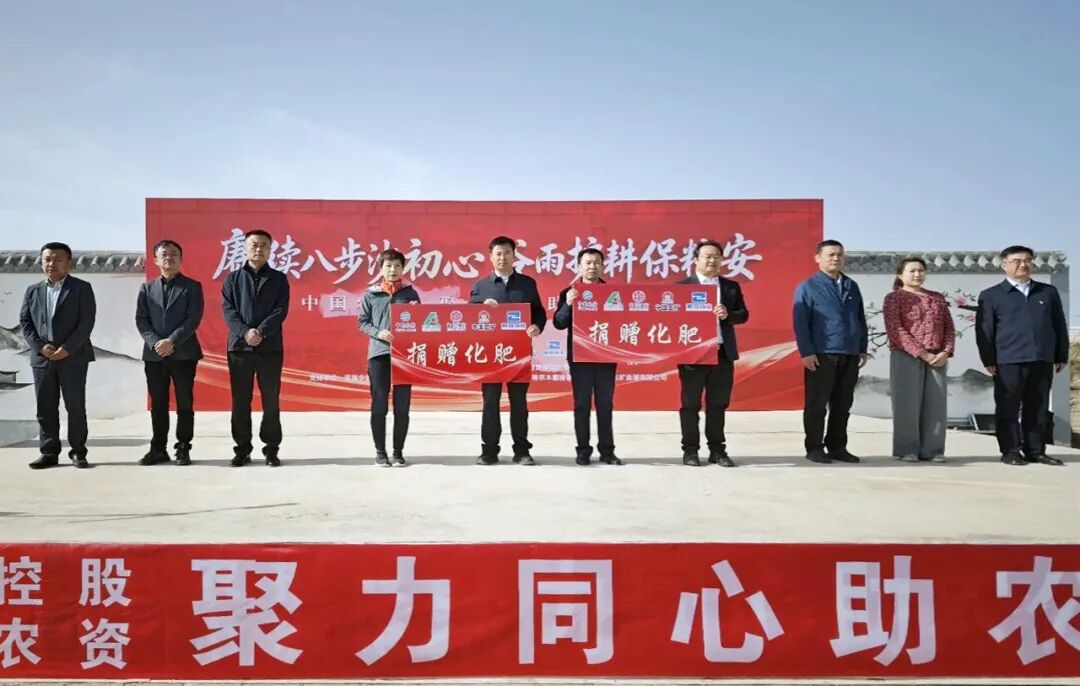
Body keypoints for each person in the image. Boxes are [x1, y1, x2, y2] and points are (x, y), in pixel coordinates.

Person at [975, 245, 1068, 466]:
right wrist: (989, 359)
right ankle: (1010, 451)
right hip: (1008, 360)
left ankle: (1036, 451)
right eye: (1017, 261)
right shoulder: (991, 295)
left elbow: (1059, 324)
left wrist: (1061, 354)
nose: (1023, 264)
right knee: (1007, 407)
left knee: (1038, 408)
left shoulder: (1047, 292)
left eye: (1027, 260)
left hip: (1041, 358)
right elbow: (984, 331)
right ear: (1004, 264)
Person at [469, 236, 546, 465]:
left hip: (519, 353)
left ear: (514, 256)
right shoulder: (481, 286)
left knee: (519, 403)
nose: (503, 257)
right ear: (491, 257)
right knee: (490, 403)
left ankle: (522, 451)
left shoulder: (527, 284)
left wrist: (537, 326)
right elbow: (469, 317)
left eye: (507, 253)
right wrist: (481, 308)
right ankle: (489, 451)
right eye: (498, 253)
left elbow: (539, 312)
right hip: (490, 354)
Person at [19, 242, 97, 469]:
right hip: (42, 358)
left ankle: (78, 451)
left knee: (75, 407)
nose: (51, 264)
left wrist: (68, 348)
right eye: (47, 259)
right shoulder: (33, 290)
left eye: (57, 259)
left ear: (68, 263)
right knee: (45, 407)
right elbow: (25, 323)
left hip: (73, 358)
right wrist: (40, 347)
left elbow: (86, 322)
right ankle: (48, 452)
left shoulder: (81, 288)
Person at [793, 239, 868, 464]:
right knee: (817, 404)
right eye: (831, 255)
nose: (836, 258)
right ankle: (814, 447)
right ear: (818, 258)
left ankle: (837, 446)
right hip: (822, 353)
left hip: (850, 353)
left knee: (843, 404)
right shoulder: (808, 287)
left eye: (840, 255)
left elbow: (860, 318)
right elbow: (800, 322)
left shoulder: (851, 286)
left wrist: (862, 347)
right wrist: (806, 352)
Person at [675, 240, 749, 467]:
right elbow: (672, 318)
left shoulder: (730, 287)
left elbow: (743, 314)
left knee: (717, 405)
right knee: (690, 406)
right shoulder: (681, 287)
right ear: (695, 260)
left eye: (717, 256)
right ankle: (690, 451)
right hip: (693, 356)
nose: (712, 261)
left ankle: (717, 451)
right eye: (707, 256)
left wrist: (728, 314)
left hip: (721, 354)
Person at [221, 229, 290, 467]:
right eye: (254, 245)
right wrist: (245, 332)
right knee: (241, 400)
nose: (259, 249)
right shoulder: (233, 279)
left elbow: (280, 310)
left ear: (270, 250)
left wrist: (260, 332)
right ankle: (242, 449)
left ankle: (271, 449)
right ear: (245, 248)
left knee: (271, 399)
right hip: (239, 349)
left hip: (269, 348)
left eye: (264, 245)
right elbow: (229, 312)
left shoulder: (279, 279)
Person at [135, 239, 205, 466]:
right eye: (164, 254)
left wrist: (171, 341)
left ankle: (183, 447)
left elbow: (193, 319)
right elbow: (142, 320)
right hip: (154, 355)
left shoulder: (192, 287)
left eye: (174, 254)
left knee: (184, 402)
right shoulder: (147, 289)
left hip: (184, 353)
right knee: (158, 403)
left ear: (181, 259)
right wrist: (157, 343)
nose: (169, 257)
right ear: (156, 260)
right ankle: (158, 448)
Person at [552, 248, 621, 466]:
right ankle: (583, 450)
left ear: (603, 266)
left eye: (596, 263)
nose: (592, 267)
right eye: (588, 263)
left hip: (605, 357)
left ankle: (607, 451)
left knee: (605, 404)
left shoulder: (613, 293)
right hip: (580, 358)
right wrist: (568, 304)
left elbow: (622, 322)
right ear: (579, 267)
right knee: (581, 404)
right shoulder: (569, 292)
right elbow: (558, 323)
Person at [883, 257, 954, 462]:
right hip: (906, 355)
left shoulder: (937, 298)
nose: (917, 274)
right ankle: (907, 450)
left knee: (936, 404)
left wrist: (945, 351)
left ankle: (933, 450)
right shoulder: (893, 298)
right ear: (900, 274)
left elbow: (949, 327)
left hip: (937, 357)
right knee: (907, 403)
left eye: (921, 270)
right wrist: (923, 353)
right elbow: (896, 330)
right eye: (912, 271)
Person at [358, 248, 421, 467]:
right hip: (379, 354)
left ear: (403, 268)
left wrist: (417, 312)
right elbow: (362, 322)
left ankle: (398, 452)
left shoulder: (411, 294)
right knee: (379, 403)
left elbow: (421, 323)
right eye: (388, 266)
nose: (393, 270)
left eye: (397, 266)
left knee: (402, 406)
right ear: (381, 268)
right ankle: (380, 452)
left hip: (404, 357)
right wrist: (379, 333)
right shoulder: (371, 295)